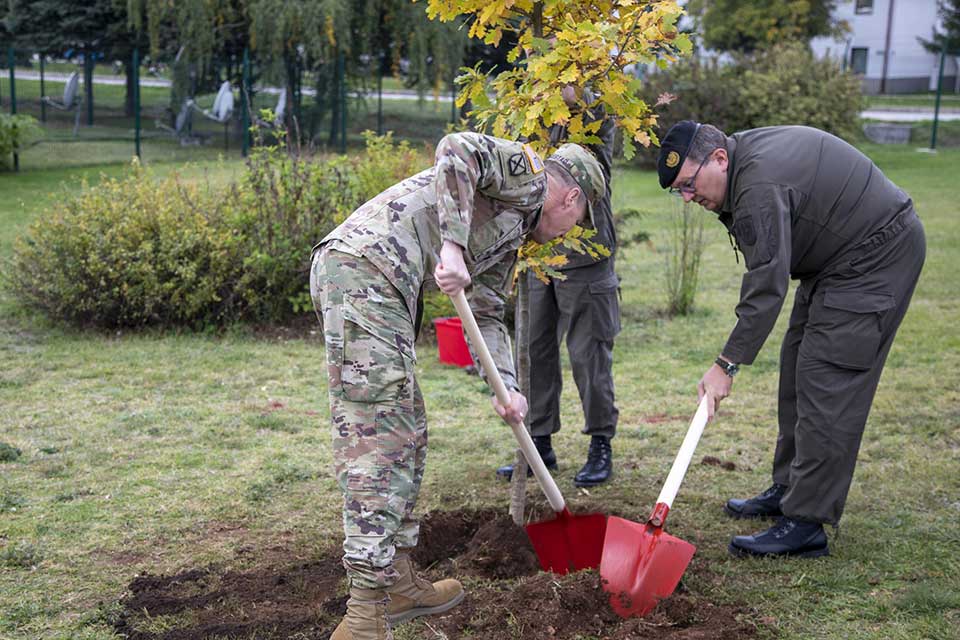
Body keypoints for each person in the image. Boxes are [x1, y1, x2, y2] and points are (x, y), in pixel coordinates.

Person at [311, 132, 605, 640]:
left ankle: (398, 581)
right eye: (577, 221)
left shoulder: (514, 235)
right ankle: (363, 613)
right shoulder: (528, 175)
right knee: (379, 439)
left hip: (382, 282)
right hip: (364, 270)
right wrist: (451, 246)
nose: (567, 233)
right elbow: (456, 149)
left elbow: (487, 315)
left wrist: (507, 388)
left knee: (408, 433)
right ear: (571, 197)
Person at [656, 121, 925, 558]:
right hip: (836, 262)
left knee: (826, 380)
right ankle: (788, 490)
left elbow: (766, 287)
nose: (688, 198)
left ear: (719, 159)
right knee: (797, 364)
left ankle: (805, 523)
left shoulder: (758, 186)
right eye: (679, 191)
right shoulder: (741, 164)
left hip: (875, 256)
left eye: (689, 184)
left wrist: (726, 365)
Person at [496, 89, 620, 487]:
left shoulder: (595, 99)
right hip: (536, 251)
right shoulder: (529, 101)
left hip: (585, 253)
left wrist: (570, 85)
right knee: (533, 348)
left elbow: (595, 160)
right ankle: (538, 441)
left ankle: (601, 442)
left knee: (589, 352)